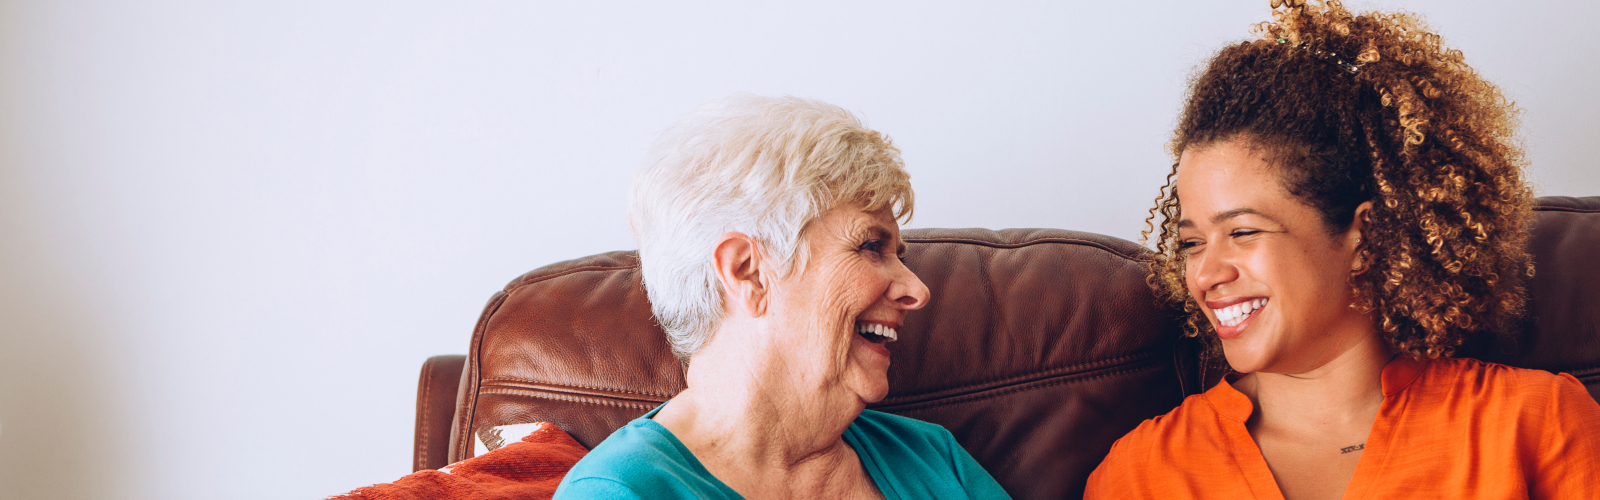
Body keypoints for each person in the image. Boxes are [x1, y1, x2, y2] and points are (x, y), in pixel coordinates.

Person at [1085, 1, 1600, 499]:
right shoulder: (1140, 473)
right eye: (1191, 243)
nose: (1206, 274)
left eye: (1242, 232)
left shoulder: (1536, 422)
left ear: (1365, 236)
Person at [552, 95, 1011, 499]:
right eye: (871, 247)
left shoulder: (930, 457)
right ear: (749, 273)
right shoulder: (623, 491)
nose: (918, 289)